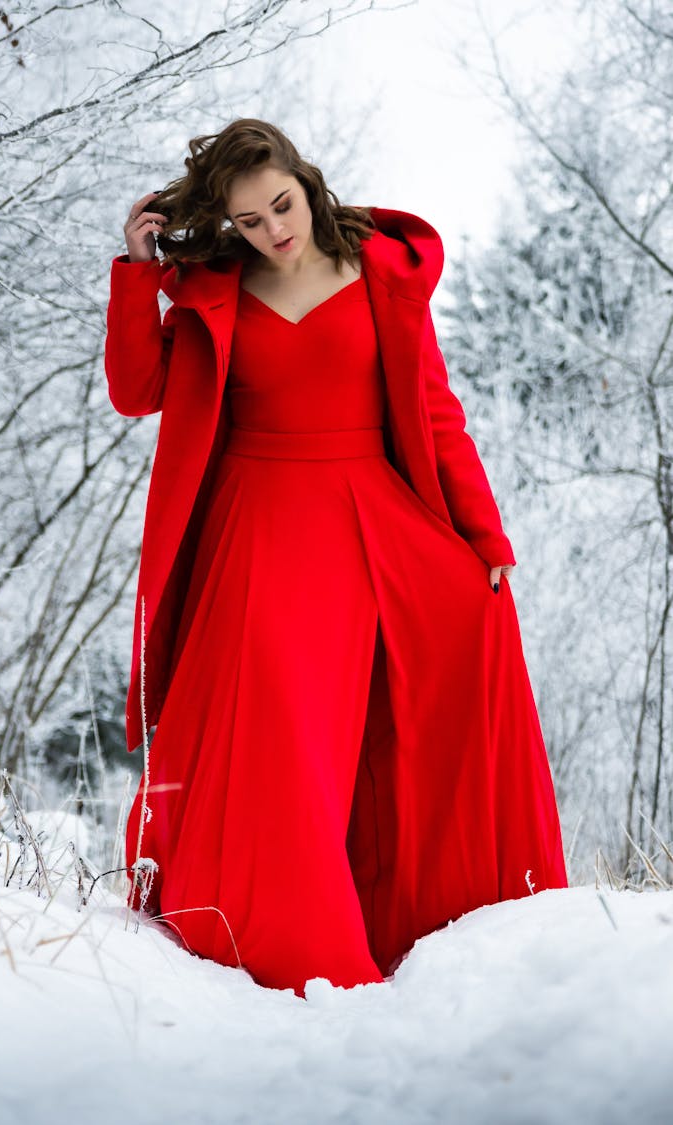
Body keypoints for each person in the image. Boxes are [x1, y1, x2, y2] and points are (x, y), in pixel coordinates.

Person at [104, 117, 568, 998]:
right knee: (280, 738)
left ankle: (433, 928)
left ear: (307, 185)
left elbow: (436, 413)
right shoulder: (214, 291)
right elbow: (137, 392)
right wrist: (137, 276)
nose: (275, 229)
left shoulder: (379, 275)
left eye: (282, 205)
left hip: (373, 516)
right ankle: (281, 939)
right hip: (259, 529)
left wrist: (485, 537)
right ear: (228, 224)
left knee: (430, 682)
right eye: (249, 220)